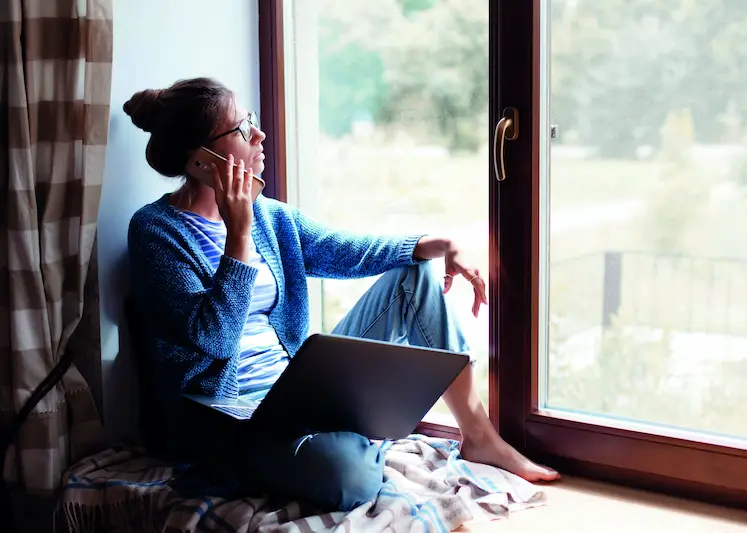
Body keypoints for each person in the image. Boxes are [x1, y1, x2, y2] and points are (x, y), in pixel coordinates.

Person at [125, 77, 559, 512]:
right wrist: (237, 237)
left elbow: (348, 251)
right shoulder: (156, 231)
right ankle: (350, 437)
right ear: (203, 162)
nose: (258, 136)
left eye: (252, 121)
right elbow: (214, 339)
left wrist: (438, 243)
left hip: (297, 392)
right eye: (241, 130)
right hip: (235, 422)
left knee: (413, 277)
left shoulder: (270, 218)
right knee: (349, 478)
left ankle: (479, 437)